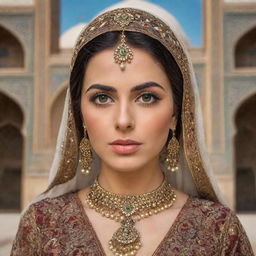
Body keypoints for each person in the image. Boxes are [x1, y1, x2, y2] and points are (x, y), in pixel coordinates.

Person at [11, 2, 254, 256]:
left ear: (175, 113)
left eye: (147, 97)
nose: (123, 120)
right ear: (79, 113)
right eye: (102, 98)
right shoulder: (42, 224)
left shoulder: (218, 231)